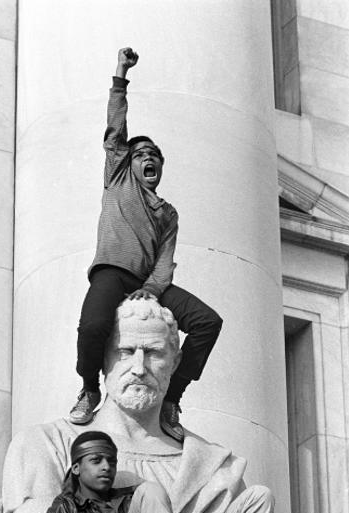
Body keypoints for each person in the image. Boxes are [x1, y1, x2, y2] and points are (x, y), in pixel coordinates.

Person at [23, 301, 275, 513]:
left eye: (154, 352)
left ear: (175, 362)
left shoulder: (217, 466)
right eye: (125, 351)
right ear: (102, 359)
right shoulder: (48, 443)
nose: (139, 368)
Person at [70, 47, 223, 441]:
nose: (148, 159)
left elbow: (165, 262)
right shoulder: (119, 178)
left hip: (149, 285)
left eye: (154, 156)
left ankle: (173, 396)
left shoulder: (167, 213)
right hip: (112, 273)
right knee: (93, 326)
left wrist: (151, 292)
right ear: (128, 162)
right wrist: (120, 75)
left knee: (208, 322)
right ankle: (88, 388)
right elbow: (116, 129)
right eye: (141, 155)